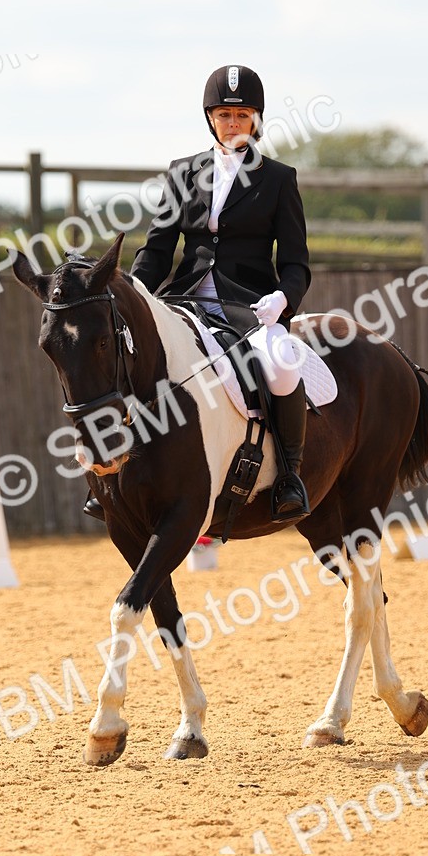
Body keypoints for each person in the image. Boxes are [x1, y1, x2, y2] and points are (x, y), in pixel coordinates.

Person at [85, 64, 312, 524]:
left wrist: (282, 299)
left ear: (256, 120)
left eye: (243, 115)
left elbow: (295, 262)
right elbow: (157, 247)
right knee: (129, 358)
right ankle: (107, 476)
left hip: (248, 305)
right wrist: (136, 295)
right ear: (210, 118)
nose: (233, 124)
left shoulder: (278, 179)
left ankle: (290, 472)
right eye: (225, 115)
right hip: (184, 295)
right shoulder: (182, 172)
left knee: (284, 363)